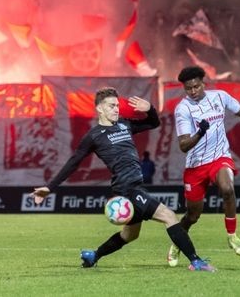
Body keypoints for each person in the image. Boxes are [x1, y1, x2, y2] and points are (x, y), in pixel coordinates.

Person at [31, 88, 216, 272]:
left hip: (133, 188)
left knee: (130, 235)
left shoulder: (124, 125)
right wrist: (50, 187)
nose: (116, 109)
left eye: (117, 106)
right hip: (127, 189)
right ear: (100, 109)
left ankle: (93, 256)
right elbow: (73, 162)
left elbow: (154, 123)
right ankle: (196, 261)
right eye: (111, 106)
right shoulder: (94, 136)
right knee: (169, 216)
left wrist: (149, 108)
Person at [167, 66, 240, 265]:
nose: (193, 91)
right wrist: (199, 133)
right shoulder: (183, 109)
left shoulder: (220, 97)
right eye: (188, 88)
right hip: (196, 166)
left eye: (196, 86)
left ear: (203, 83)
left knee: (227, 188)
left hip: (219, 157)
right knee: (192, 216)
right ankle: (177, 243)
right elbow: (183, 146)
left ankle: (232, 235)